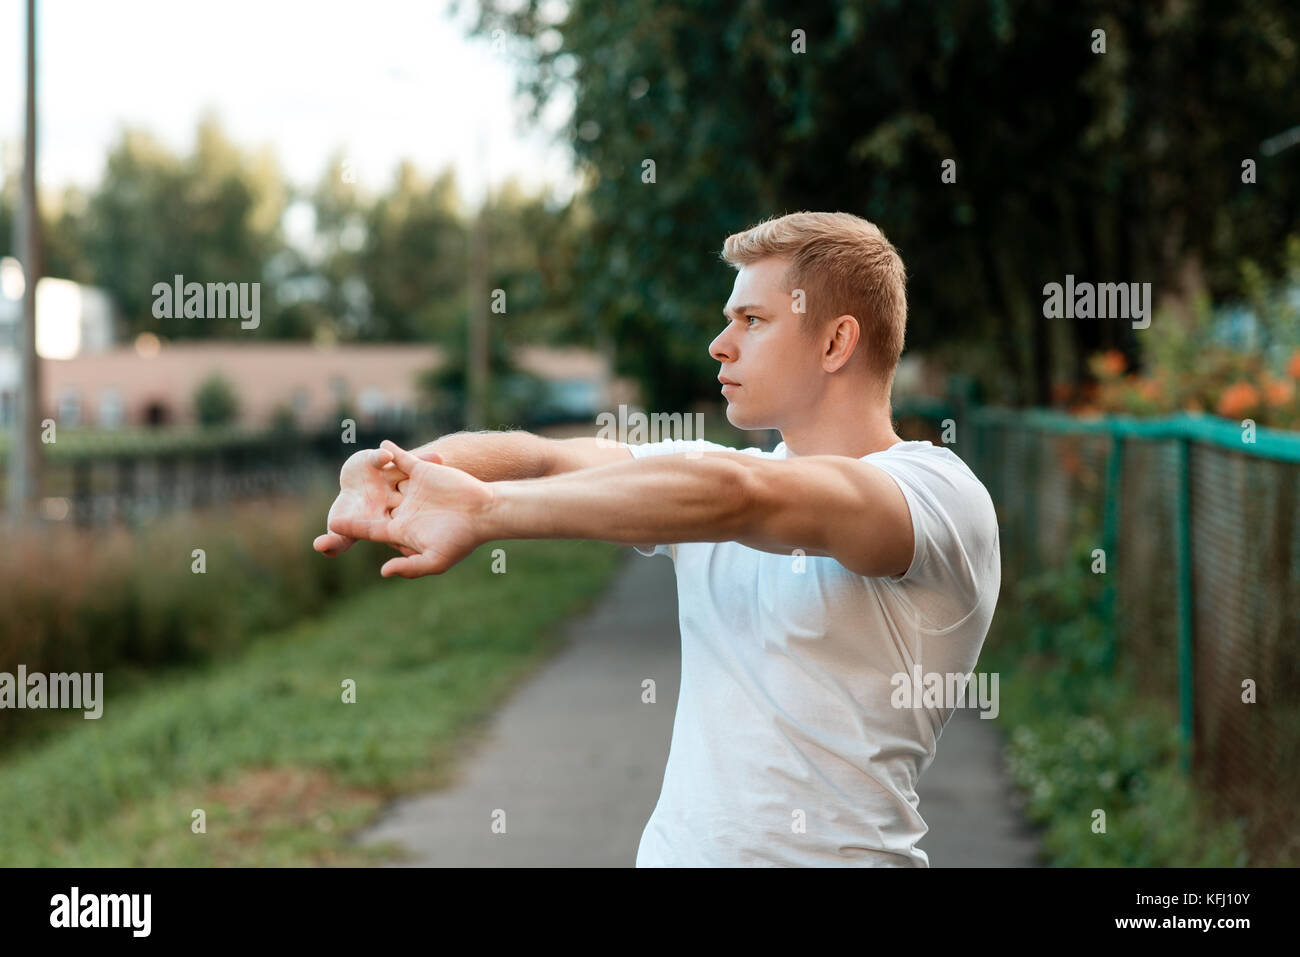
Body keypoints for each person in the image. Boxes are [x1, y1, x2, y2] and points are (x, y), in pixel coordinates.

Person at [313, 210, 1001, 866]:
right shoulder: (719, 478)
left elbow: (739, 500)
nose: (719, 344)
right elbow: (543, 455)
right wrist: (401, 471)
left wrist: (487, 510)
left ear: (834, 342)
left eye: (751, 321)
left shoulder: (934, 496)